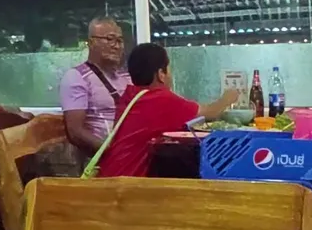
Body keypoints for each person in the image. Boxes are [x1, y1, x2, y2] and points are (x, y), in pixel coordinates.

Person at [97, 42, 238, 178]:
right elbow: (211, 113)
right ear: (161, 74)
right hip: (126, 185)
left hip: (108, 177)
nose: (171, 75)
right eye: (169, 69)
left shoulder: (130, 96)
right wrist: (228, 97)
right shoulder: (160, 99)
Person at [59, 17, 131, 156]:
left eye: (120, 41)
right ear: (91, 43)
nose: (116, 46)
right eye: (110, 39)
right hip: (105, 158)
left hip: (132, 153)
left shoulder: (126, 78)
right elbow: (75, 132)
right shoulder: (77, 77)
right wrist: (112, 152)